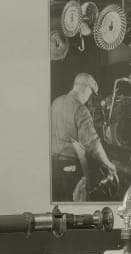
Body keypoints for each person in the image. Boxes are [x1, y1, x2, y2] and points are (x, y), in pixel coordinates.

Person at [50, 72, 118, 200]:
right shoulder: (81, 110)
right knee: (73, 203)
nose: (89, 98)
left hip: (52, 166)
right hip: (70, 169)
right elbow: (92, 144)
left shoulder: (56, 102)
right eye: (90, 93)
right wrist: (109, 164)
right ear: (86, 88)